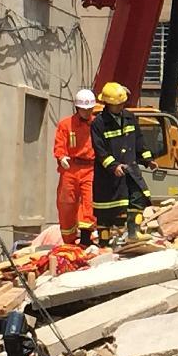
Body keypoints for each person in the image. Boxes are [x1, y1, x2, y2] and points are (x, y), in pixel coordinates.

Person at [91, 82, 158, 246]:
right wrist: (113, 166)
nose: (121, 106)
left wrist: (147, 159)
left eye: (122, 103)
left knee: (139, 197)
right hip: (109, 175)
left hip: (130, 169)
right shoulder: (99, 123)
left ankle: (133, 232)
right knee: (106, 211)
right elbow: (100, 150)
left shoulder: (129, 117)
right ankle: (104, 243)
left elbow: (138, 140)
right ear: (108, 103)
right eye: (118, 104)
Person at [53, 89, 98, 247]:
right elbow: (60, 143)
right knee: (66, 202)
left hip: (90, 168)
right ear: (77, 108)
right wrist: (61, 156)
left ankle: (86, 237)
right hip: (70, 168)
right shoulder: (66, 124)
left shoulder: (96, 124)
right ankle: (69, 240)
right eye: (83, 109)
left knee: (89, 202)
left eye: (89, 109)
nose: (86, 112)